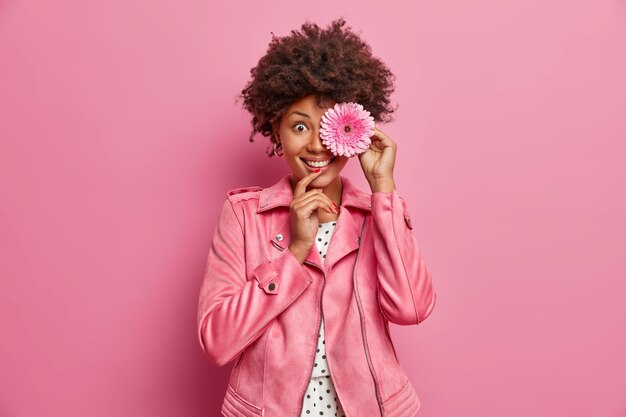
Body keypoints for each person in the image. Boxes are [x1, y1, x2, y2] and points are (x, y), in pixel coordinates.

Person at [197, 18, 437, 417]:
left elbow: (410, 309)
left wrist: (383, 188)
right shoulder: (243, 216)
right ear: (275, 130)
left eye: (328, 128)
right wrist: (294, 253)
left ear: (355, 130)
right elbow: (217, 342)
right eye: (299, 126)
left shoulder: (377, 212)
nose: (315, 145)